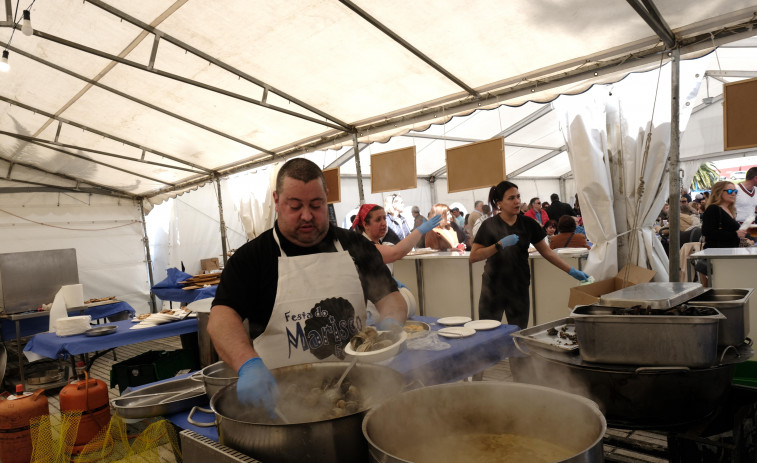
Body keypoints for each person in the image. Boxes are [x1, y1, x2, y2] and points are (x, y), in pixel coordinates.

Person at [207, 158, 407, 417]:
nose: (307, 215)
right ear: (277, 201)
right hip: (282, 403)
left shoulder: (357, 247)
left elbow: (390, 297)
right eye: (295, 206)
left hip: (357, 394)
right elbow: (221, 318)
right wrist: (247, 364)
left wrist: (389, 327)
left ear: (327, 199)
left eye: (316, 205)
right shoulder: (251, 258)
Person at [470, 181, 590, 328]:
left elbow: (547, 252)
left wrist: (571, 270)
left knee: (517, 331)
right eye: (511, 198)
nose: (517, 201)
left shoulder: (528, 224)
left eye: (518, 197)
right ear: (499, 203)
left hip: (519, 286)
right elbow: (474, 256)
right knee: (487, 331)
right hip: (493, 287)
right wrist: (498, 245)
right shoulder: (489, 225)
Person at [697, 181, 751, 285]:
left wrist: (742, 237)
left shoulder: (730, 210)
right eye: (730, 191)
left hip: (728, 254)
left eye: (735, 191)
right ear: (719, 192)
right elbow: (708, 232)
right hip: (718, 256)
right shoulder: (713, 209)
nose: (733, 193)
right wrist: (735, 234)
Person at [352, 203, 441, 263]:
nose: (384, 223)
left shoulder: (378, 243)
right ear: (365, 224)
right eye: (378, 220)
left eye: (384, 218)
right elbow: (396, 252)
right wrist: (420, 230)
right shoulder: (365, 246)